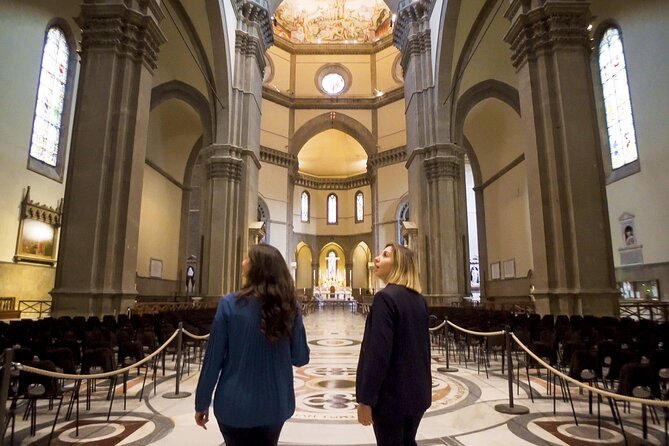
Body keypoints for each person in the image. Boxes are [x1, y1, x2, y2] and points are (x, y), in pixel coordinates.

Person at [194, 244, 310, 446]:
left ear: (258, 267)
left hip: (233, 406)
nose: (242, 262)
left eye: (247, 258)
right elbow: (300, 357)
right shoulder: (289, 306)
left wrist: (202, 402)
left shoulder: (229, 304)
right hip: (275, 404)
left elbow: (213, 360)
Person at [356, 242, 432, 445]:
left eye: (385, 255)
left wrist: (366, 399)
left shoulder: (385, 298)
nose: (377, 259)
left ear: (399, 264)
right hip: (417, 394)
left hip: (391, 398)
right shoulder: (419, 300)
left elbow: (378, 355)